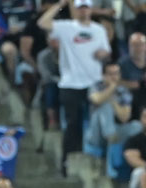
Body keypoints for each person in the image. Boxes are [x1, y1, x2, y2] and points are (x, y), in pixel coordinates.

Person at [37, 0, 111, 174]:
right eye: (80, 7)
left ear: (90, 9)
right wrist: (60, 4)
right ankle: (67, 162)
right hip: (71, 83)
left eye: (86, 7)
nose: (83, 10)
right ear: (76, 10)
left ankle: (94, 162)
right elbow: (42, 23)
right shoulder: (66, 27)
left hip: (93, 82)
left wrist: (103, 55)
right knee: (73, 125)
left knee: (96, 124)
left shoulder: (99, 30)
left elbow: (106, 53)